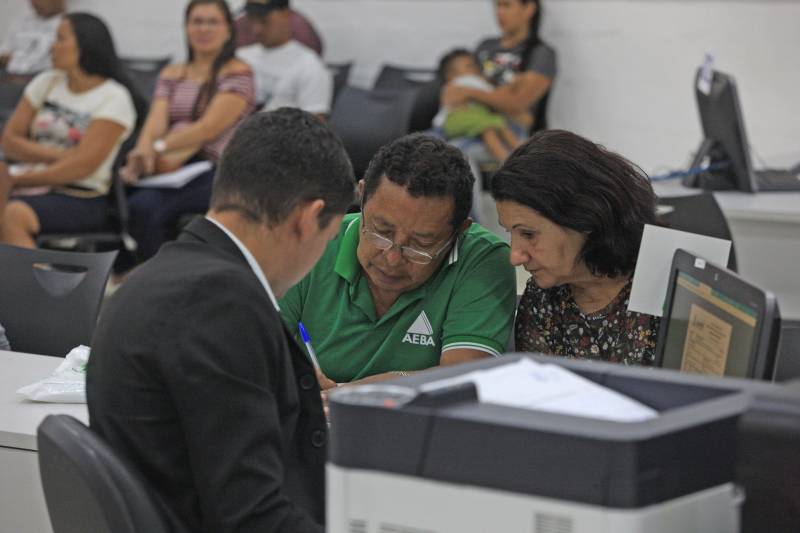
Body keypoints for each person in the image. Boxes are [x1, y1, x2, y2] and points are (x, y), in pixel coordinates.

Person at [87, 108, 356, 533]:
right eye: (330, 237)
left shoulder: (154, 275)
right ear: (308, 219)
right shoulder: (222, 303)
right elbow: (251, 516)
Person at [280, 133, 516, 386]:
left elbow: (460, 379)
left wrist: (344, 394)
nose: (392, 258)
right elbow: (250, 353)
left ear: (460, 231)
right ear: (362, 196)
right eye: (381, 231)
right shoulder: (314, 240)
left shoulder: (482, 260)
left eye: (421, 244)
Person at [491, 129, 661, 365]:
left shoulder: (670, 284)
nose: (515, 256)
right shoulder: (544, 298)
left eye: (528, 234)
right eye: (511, 233)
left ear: (584, 217)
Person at [122, 0, 256, 263]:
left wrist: (158, 147)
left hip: (214, 169)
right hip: (167, 164)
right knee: (115, 195)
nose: (203, 29)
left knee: (143, 206)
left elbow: (208, 128)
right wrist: (142, 151)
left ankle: (156, 275)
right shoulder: (173, 73)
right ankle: (131, 271)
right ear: (185, 28)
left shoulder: (239, 73)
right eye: (197, 21)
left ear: (228, 30)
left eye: (212, 22)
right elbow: (155, 122)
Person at [0, 12, 144, 248]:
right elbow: (10, 140)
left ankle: (32, 284)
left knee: (14, 214)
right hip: (29, 182)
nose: (51, 47)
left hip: (81, 196)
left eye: (60, 39)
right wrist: (63, 156)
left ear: (85, 44)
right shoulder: (46, 81)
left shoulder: (114, 97)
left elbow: (81, 167)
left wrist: (17, 180)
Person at [442, 0, 556, 165]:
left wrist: (470, 92)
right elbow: (452, 94)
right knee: (417, 147)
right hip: (469, 121)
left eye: (506, 5)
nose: (499, 13)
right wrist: (499, 96)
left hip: (509, 133)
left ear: (529, 9)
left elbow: (517, 105)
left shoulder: (540, 53)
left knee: (455, 157)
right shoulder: (485, 46)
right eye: (497, 6)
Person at [236, 0, 332, 118]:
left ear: (286, 14)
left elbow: (315, 128)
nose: (256, 29)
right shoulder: (239, 56)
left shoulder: (310, 67)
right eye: (251, 19)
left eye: (264, 20)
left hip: (276, 134)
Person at [434, 48, 522, 163]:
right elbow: (495, 96)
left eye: (474, 65)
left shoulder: (451, 86)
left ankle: (515, 155)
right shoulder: (467, 81)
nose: (475, 68)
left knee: (498, 124)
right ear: (451, 74)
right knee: (491, 128)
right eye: (469, 66)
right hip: (459, 118)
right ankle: (509, 158)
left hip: (466, 118)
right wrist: (513, 84)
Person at [0, 0, 64, 76]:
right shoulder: (23, 21)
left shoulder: (66, 26)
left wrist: (12, 60)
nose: (34, 3)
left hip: (39, 77)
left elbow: (42, 63)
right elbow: (4, 51)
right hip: (6, 74)